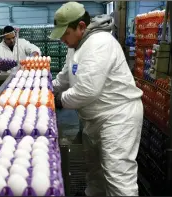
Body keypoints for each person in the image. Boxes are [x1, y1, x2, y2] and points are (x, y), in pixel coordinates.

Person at [50, 2, 143, 196]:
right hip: (93, 117)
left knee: (118, 175)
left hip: (117, 117)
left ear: (81, 27)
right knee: (95, 172)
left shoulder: (100, 43)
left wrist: (57, 100)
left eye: (65, 33)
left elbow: (87, 91)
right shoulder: (75, 46)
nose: (62, 40)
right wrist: (46, 89)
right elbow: (65, 77)